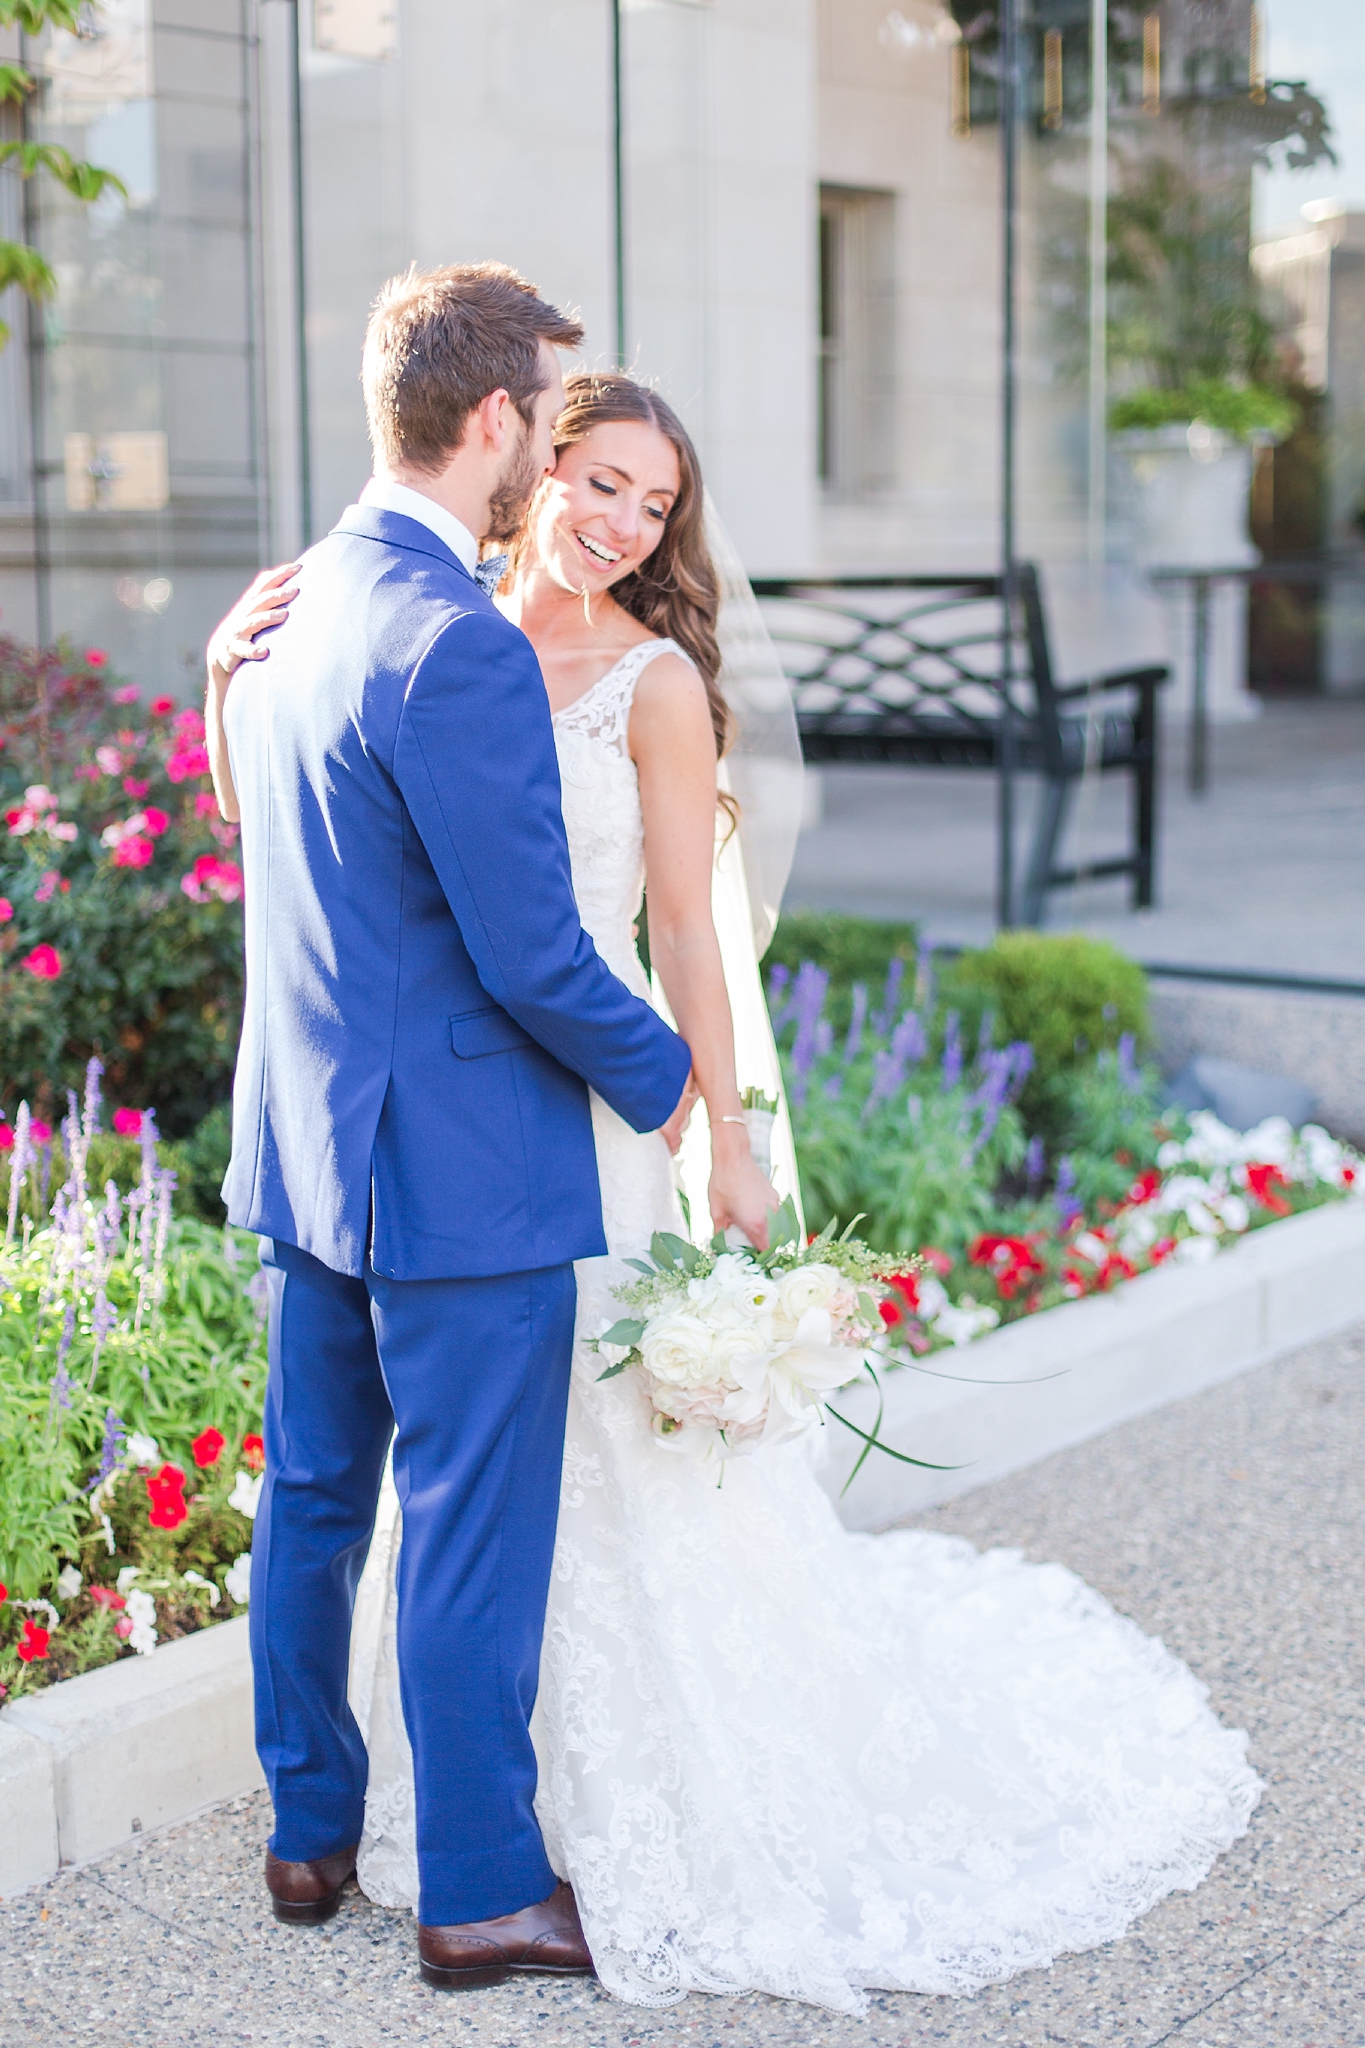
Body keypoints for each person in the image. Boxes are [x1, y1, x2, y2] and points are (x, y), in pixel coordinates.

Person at [211, 354, 1261, 2016]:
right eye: (599, 480)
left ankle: (457, 1820)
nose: (622, 525)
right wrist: (221, 679)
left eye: (656, 504)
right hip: (476, 1125)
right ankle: (452, 1845)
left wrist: (722, 1122)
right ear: (522, 457)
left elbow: (686, 928)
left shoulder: (642, 682)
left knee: (516, 1481)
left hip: (565, 1121)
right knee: (451, 1502)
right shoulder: (425, 634)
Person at [208, 264, 697, 1992]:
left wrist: (208, 689)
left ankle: (304, 1833)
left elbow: (279, 837)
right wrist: (670, 1081)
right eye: (539, 427)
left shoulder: (278, 615)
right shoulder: (460, 643)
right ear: (496, 423)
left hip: (311, 1148)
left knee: (318, 1502)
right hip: (466, 1174)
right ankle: (483, 1887)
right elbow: (533, 953)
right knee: (472, 1532)